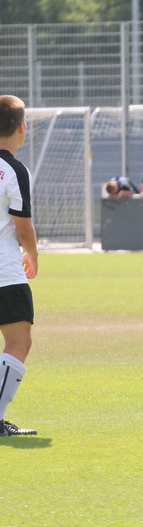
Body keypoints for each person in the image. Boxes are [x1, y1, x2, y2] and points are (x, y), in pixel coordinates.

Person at [0, 95, 39, 437]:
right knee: (18, 341)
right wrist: (34, 256)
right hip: (4, 270)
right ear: (21, 127)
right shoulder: (14, 170)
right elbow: (23, 228)